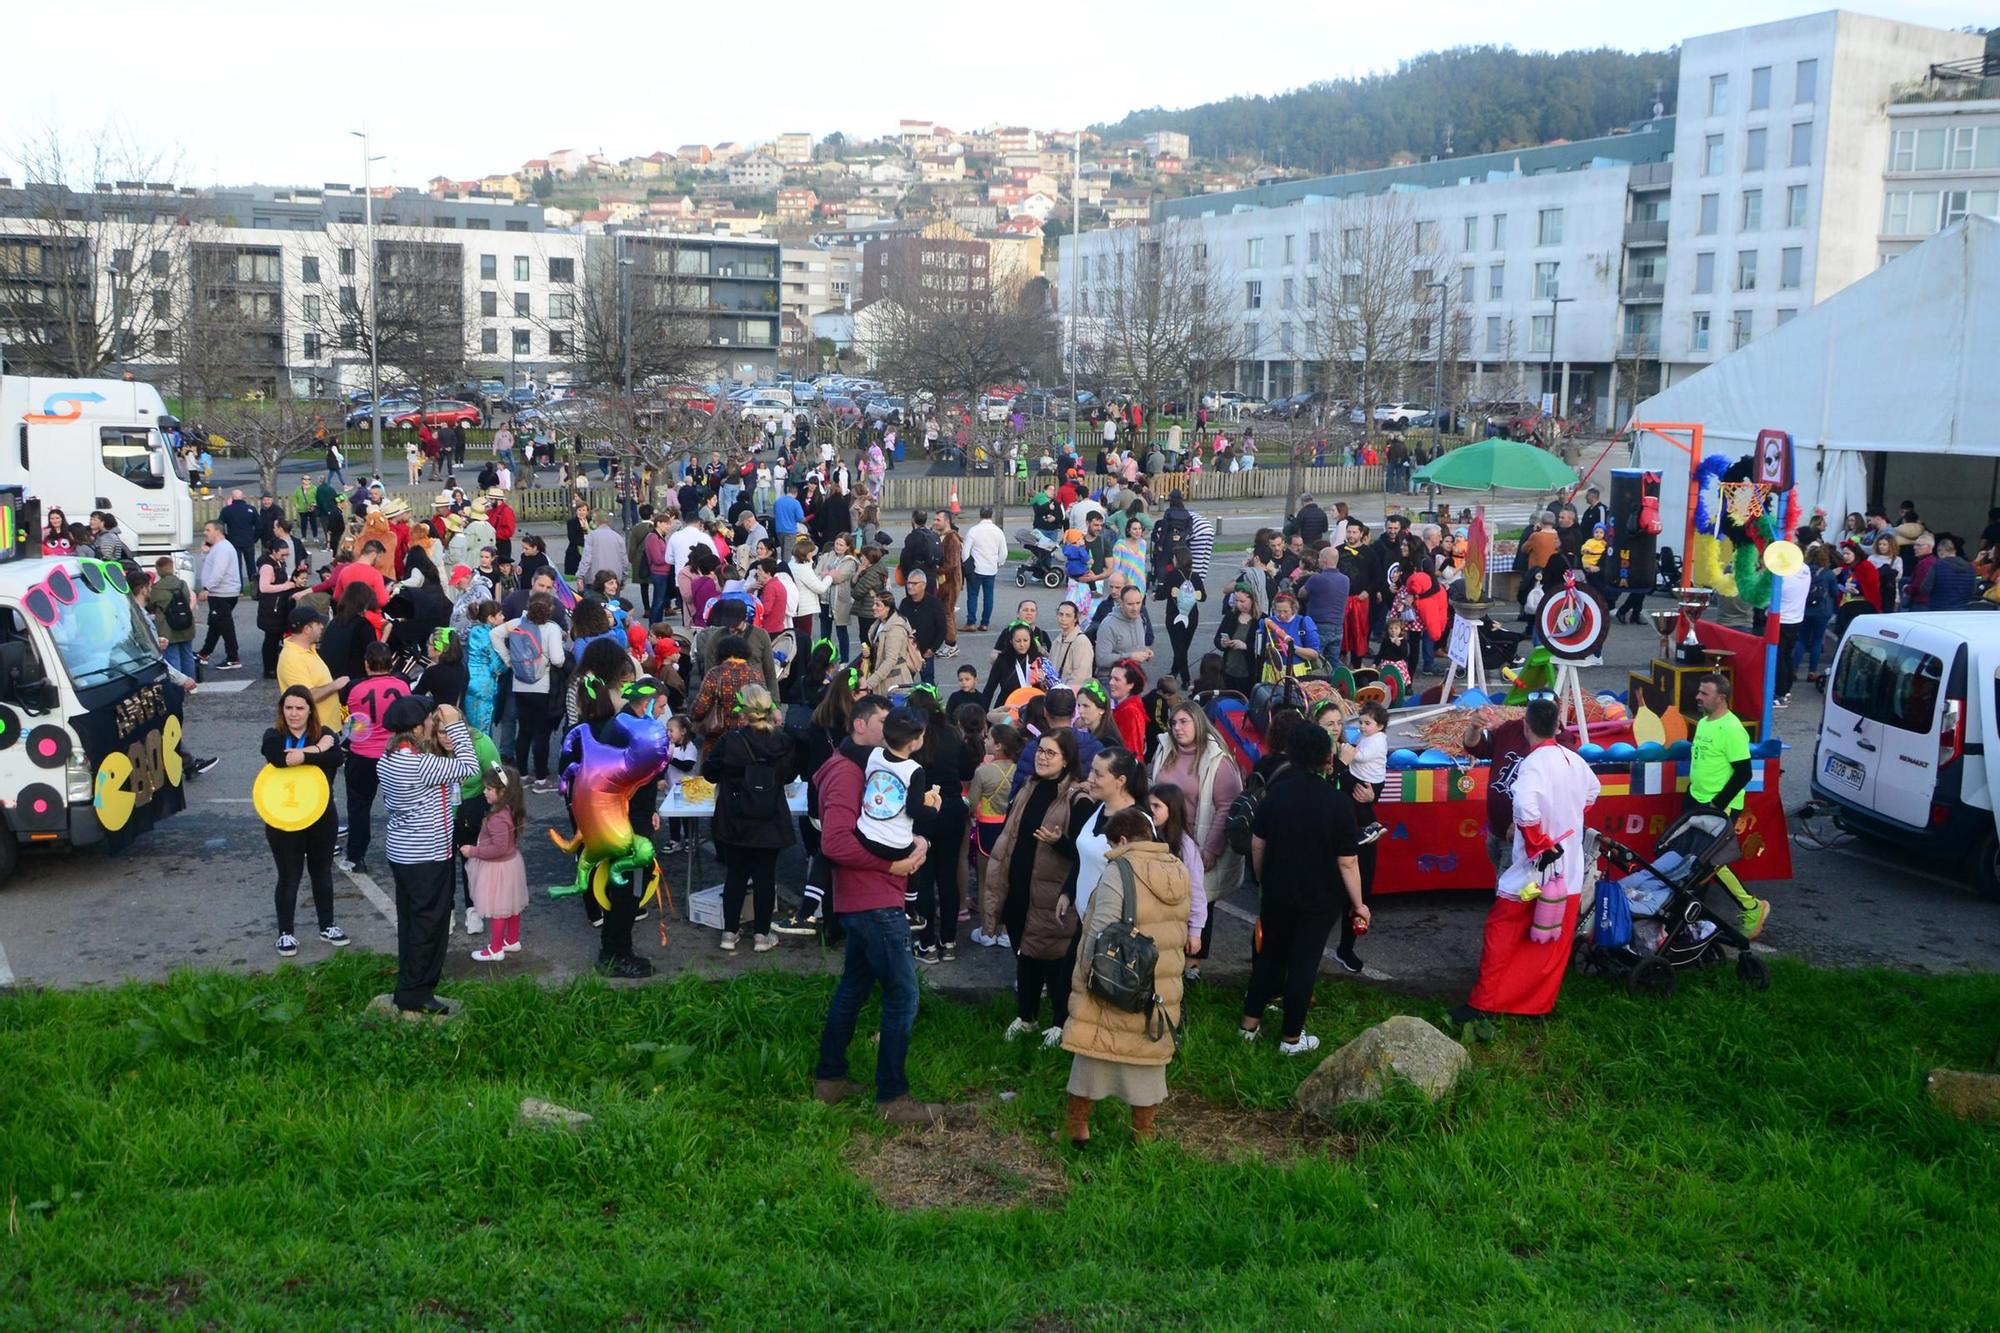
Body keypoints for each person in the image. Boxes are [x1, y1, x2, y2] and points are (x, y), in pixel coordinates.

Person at [811, 696, 942, 1125]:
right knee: (904, 995)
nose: (892, 732)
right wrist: (895, 864)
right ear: (861, 725)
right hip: (873, 898)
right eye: (886, 723)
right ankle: (892, 1098)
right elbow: (834, 844)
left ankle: (830, 1080)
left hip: (866, 897)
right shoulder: (849, 773)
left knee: (854, 986)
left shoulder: (865, 765)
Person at [1451, 699, 1599, 1024]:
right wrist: (1564, 818)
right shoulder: (1573, 759)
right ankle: (1537, 1005)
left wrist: (1538, 843)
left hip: (1532, 873)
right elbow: (1592, 791)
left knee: (1502, 929)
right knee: (1550, 941)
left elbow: (1524, 808)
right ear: (1557, 725)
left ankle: (1483, 1004)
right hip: (1568, 872)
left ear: (1527, 725)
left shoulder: (1534, 763)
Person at [1058, 805, 1190, 1147]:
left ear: (1122, 839)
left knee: (1092, 1051)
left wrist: (1085, 974)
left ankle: (1077, 1128)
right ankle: (1143, 1134)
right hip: (1160, 981)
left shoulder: (1121, 869)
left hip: (1118, 976)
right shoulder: (1178, 869)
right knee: (1147, 1058)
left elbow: (1102, 926)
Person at [1238, 723, 1368, 1054]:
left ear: (1292, 754)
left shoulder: (1276, 794)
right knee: (1303, 963)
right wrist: (1359, 904)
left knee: (1269, 957)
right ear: (1327, 757)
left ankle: (1248, 1026)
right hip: (1320, 896)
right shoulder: (1338, 803)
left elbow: (1257, 845)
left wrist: (1262, 878)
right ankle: (1291, 1039)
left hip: (1278, 889)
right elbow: (1348, 862)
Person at [379, 695, 480, 1014]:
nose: (432, 724)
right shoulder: (418, 763)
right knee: (429, 927)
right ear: (416, 727)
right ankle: (417, 993)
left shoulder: (390, 757)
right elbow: (469, 766)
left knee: (412, 923)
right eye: (429, 720)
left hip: (404, 852)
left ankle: (408, 985)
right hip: (427, 856)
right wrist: (454, 724)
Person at [985, 728, 1086, 1043]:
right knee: (1025, 954)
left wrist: (1060, 843)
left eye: (1050, 753)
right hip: (1019, 888)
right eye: (1040, 750)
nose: (1042, 757)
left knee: (1055, 959)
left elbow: (1086, 854)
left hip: (1052, 894)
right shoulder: (1028, 787)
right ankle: (1026, 1016)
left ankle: (1060, 1021)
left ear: (1067, 759)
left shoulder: (1078, 799)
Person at [703, 683, 799, 954]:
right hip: (770, 817)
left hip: (735, 818)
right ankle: (761, 934)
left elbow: (709, 773)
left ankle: (729, 932)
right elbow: (789, 775)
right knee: (765, 878)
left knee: (735, 875)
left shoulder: (730, 740)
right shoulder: (783, 741)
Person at [1147, 701, 1243, 968]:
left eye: (1184, 722)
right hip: (1163, 839)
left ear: (1198, 723)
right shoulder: (1164, 748)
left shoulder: (1217, 760)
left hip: (1198, 845)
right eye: (1174, 723)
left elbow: (1227, 806)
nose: (1177, 728)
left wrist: (1212, 849)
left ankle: (1192, 964)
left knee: (1199, 900)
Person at [260, 685, 348, 958]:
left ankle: (327, 925)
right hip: (282, 817)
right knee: (289, 876)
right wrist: (317, 751)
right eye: (288, 708)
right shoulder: (274, 735)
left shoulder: (326, 734)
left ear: (311, 710)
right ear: (281, 710)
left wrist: (307, 753)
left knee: (321, 872)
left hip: (321, 814)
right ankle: (285, 932)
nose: (294, 714)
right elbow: (277, 758)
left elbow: (338, 757)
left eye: (300, 708)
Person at [1688, 674, 1772, 938]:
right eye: (1699, 692)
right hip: (1697, 800)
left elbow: (1744, 773)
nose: (1698, 697)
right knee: (1694, 861)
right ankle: (1691, 915)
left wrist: (1717, 804)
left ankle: (1752, 906)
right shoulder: (1703, 722)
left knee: (1712, 862)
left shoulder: (1732, 729)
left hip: (1718, 807)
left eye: (1704, 693)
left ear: (1721, 698)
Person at [463, 765, 530, 963]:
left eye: (489, 789)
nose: (484, 792)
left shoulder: (497, 818)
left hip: (497, 868)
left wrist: (472, 851)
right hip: (510, 865)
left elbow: (498, 848)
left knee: (498, 908)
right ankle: (512, 940)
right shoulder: (510, 810)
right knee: (511, 904)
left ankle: (495, 948)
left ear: (503, 792)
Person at [505, 591, 566, 790]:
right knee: (542, 732)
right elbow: (558, 659)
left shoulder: (518, 624)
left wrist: (509, 660)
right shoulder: (551, 629)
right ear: (549, 609)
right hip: (542, 685)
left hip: (520, 683)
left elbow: (494, 634)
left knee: (524, 730)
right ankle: (541, 777)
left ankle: (522, 774)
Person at [195, 520, 243, 670]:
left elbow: (218, 572)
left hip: (222, 593)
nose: (205, 533)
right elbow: (210, 565)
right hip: (220, 592)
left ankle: (233, 657)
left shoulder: (223, 548)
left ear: (218, 531)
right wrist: (205, 553)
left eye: (208, 530)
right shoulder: (217, 548)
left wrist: (206, 588)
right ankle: (204, 653)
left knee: (225, 625)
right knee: (215, 624)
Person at [1341, 702, 1391, 846]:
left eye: (1367, 723)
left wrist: (1345, 749)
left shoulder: (1377, 741)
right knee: (1359, 802)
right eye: (1361, 722)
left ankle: (1370, 826)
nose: (1362, 726)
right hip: (1365, 776)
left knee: (1358, 802)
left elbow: (1363, 756)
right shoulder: (1368, 736)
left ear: (1380, 726)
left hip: (1368, 779)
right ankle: (1372, 826)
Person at [144, 555, 200, 679]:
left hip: (167, 628)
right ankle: (191, 682)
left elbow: (150, 605)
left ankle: (178, 686)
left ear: (158, 569)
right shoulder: (182, 584)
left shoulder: (157, 588)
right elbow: (188, 598)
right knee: (187, 655)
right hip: (186, 623)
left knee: (173, 657)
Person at [963, 506, 1006, 632]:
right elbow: (1003, 552)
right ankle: (985, 623)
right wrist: (998, 562)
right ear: (991, 515)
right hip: (991, 568)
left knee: (972, 595)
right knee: (988, 596)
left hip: (976, 568)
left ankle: (971, 622)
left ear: (980, 515)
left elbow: (965, 551)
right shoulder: (998, 531)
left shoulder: (974, 530)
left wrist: (967, 564)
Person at [1107, 660, 1149, 755]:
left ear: (1131, 684)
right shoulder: (1129, 705)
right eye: (1111, 678)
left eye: (1117, 679)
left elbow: (1131, 750)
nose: (1111, 682)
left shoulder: (1130, 711)